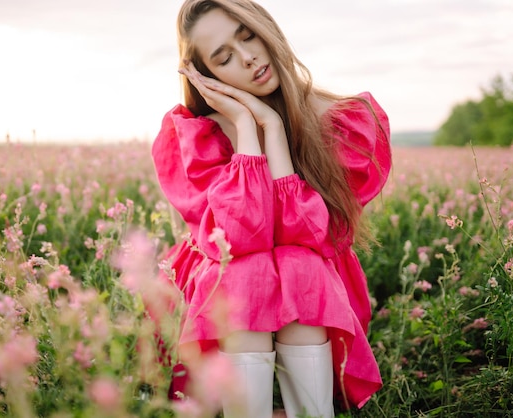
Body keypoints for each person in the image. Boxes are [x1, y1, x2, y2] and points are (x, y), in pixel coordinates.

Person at [151, 0, 391, 417]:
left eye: (248, 36)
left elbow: (311, 237)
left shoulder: (347, 121)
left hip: (312, 283)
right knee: (245, 273)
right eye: (224, 58)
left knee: (300, 265)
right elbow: (238, 240)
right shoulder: (198, 134)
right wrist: (247, 128)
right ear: (210, 76)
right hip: (224, 283)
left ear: (266, 28)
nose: (248, 59)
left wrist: (274, 130)